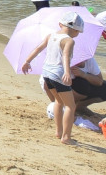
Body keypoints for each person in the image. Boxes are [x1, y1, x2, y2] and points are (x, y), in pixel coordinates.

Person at [22, 12, 84, 145]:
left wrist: (27, 61)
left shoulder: (51, 35)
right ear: (74, 29)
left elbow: (38, 48)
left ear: (61, 24)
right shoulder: (69, 40)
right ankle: (66, 137)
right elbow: (65, 57)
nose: (78, 34)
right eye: (78, 31)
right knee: (70, 106)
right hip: (58, 73)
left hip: (46, 73)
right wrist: (67, 72)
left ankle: (58, 132)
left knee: (58, 101)